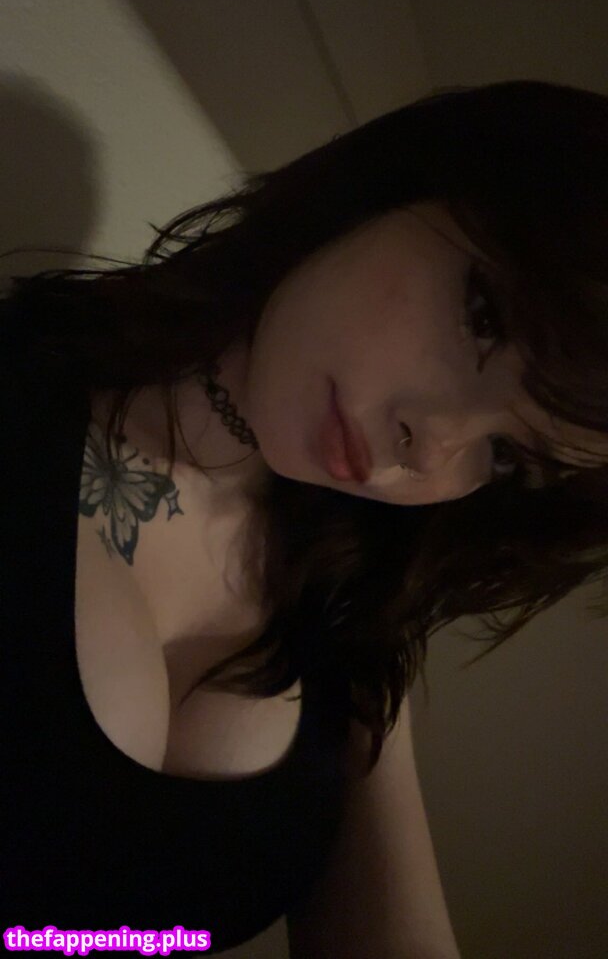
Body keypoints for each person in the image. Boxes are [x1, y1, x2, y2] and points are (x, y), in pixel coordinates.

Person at [1, 80, 607, 957]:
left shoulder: (348, 611)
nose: (433, 445)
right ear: (401, 184)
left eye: (510, 456)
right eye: (484, 319)